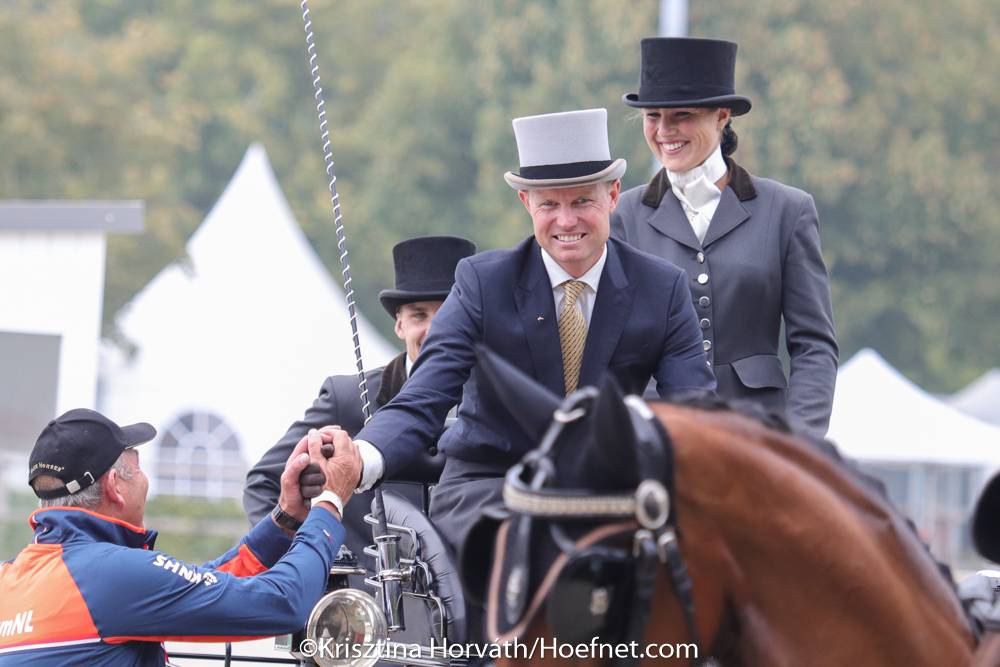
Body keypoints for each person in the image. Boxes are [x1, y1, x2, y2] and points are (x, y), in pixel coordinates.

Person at [331, 108, 716, 557]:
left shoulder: (662, 288)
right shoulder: (481, 282)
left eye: (582, 202)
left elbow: (693, 413)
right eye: (549, 204)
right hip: (490, 490)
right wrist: (361, 457)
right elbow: (423, 398)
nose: (566, 221)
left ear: (613, 195)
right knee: (540, 551)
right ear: (526, 204)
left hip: (610, 496)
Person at [0, 408, 358, 666]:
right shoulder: (110, 575)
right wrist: (330, 503)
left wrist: (285, 518)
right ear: (115, 486)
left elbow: (199, 587)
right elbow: (283, 602)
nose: (145, 480)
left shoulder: (8, 579)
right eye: (138, 467)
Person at [611, 37, 839, 437]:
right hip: (659, 434)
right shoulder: (625, 216)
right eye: (653, 116)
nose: (664, 131)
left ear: (721, 116)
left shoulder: (787, 210)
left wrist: (799, 442)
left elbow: (814, 347)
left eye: (681, 115)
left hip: (759, 431)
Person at [242, 235, 476, 566]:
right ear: (399, 324)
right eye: (419, 316)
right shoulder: (348, 398)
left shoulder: (500, 401)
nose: (434, 331)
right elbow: (265, 483)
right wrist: (309, 568)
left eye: (447, 316)